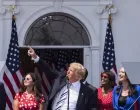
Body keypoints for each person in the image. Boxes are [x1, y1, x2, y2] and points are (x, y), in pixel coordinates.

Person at [28, 47, 98, 110]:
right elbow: (48, 69)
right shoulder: (60, 78)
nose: (67, 71)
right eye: (68, 69)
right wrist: (35, 57)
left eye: (71, 70)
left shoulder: (89, 92)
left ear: (78, 76)